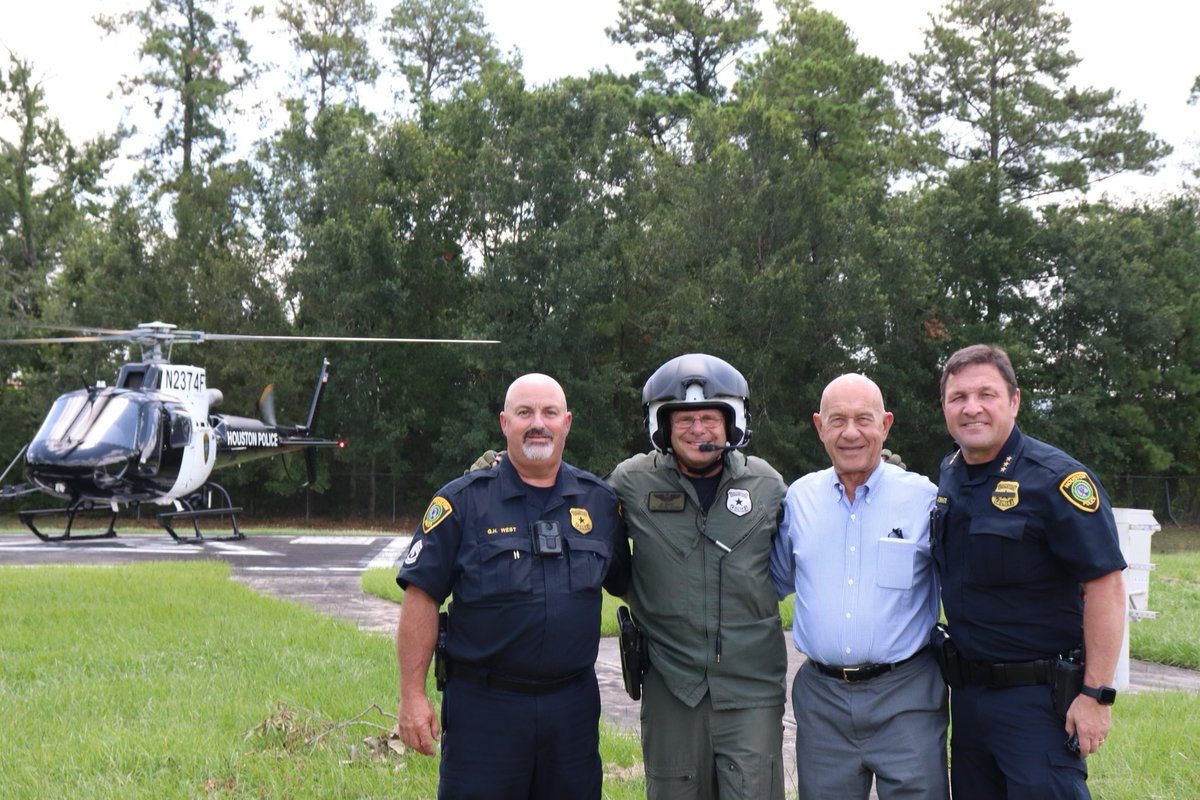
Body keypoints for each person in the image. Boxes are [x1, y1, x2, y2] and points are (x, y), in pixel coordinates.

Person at [393, 373, 629, 800]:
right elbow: (421, 595)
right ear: (505, 423)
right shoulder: (461, 503)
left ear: (567, 422)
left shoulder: (598, 502)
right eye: (525, 413)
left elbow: (634, 587)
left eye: (549, 413)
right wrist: (412, 695)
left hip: (572, 712)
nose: (538, 423)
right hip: (485, 711)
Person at [934, 344, 1127, 798]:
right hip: (968, 699)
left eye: (986, 394)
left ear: (1015, 401)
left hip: (1039, 705)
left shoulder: (1057, 480)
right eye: (958, 397)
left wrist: (1097, 696)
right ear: (944, 406)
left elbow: (1106, 588)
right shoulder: (950, 473)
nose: (972, 407)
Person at [609, 353, 788, 800]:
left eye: (710, 417)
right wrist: (502, 475)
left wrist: (876, 473)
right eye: (684, 419)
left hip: (751, 688)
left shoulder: (767, 486)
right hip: (673, 686)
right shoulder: (632, 482)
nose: (697, 429)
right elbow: (572, 512)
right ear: (662, 427)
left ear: (732, 424)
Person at [770, 373, 949, 800]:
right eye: (837, 421)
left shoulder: (925, 499)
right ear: (819, 427)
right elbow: (769, 584)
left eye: (864, 420)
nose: (851, 433)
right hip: (822, 701)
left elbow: (964, 587)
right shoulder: (799, 500)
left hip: (906, 696)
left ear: (886, 424)